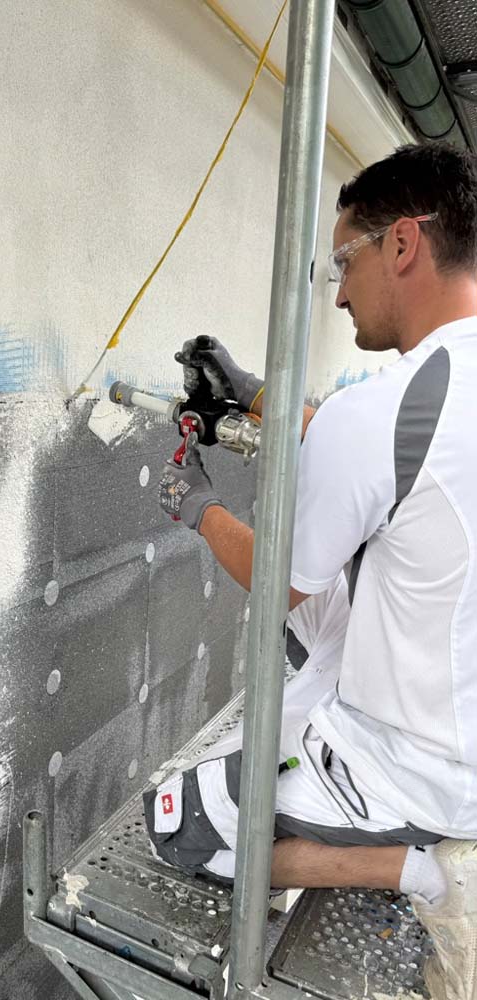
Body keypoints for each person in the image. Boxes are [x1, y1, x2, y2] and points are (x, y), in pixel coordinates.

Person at [144, 142, 477, 1000]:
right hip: (461, 707)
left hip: (420, 769)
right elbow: (379, 447)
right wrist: (253, 393)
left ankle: (417, 870)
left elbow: (276, 584)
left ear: (401, 243)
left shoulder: (387, 408)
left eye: (344, 261)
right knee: (324, 611)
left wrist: (197, 508)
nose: (338, 293)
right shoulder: (446, 384)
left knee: (176, 825)